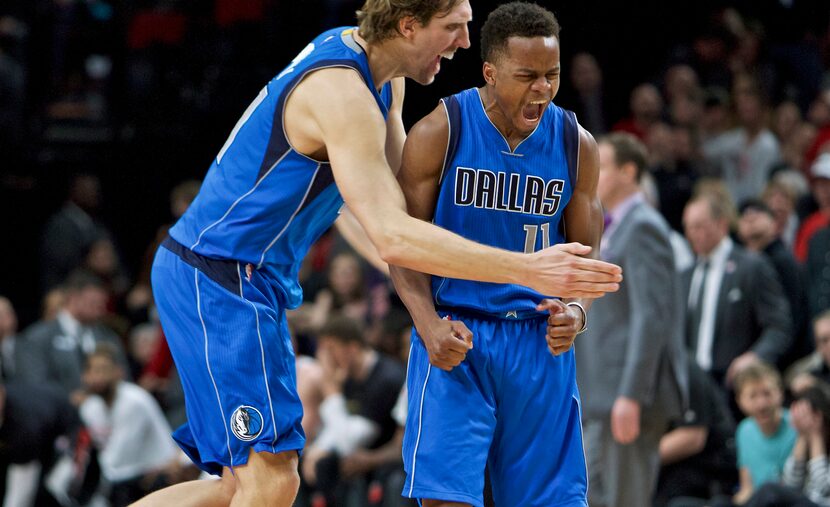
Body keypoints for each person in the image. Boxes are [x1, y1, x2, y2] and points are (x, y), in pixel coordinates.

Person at [141, 1, 623, 506]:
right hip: (217, 274)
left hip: (251, 280)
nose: (463, 41)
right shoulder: (343, 94)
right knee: (271, 481)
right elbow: (395, 236)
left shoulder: (380, 76)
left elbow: (391, 220)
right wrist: (527, 268)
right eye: (453, 27)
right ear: (409, 25)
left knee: (244, 486)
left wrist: (441, 301)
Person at [389, 4, 609, 506]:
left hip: (537, 339)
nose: (542, 89)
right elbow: (400, 244)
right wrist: (426, 324)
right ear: (490, 72)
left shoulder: (577, 145)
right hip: (459, 332)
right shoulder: (441, 131)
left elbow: (586, 253)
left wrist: (576, 312)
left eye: (551, 75)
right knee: (446, 498)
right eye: (527, 76)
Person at [576, 133, 688, 507]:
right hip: (602, 395)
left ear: (628, 171)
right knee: (590, 496)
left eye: (602, 167)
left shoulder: (644, 226)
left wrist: (631, 394)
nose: (594, 177)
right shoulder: (614, 226)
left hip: (627, 395)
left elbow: (651, 317)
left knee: (626, 500)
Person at [732, 362, 797, 505]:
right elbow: (747, 488)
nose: (761, 404)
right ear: (740, 401)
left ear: (780, 393)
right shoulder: (744, 431)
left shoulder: (797, 425)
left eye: (767, 393)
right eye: (752, 396)